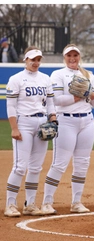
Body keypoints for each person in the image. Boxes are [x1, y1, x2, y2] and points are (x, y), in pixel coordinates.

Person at [40, 44, 94, 215]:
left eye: (75, 55)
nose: (72, 58)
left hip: (86, 122)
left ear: (79, 56)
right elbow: (56, 100)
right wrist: (77, 97)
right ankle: (47, 202)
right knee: (60, 163)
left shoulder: (87, 75)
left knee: (82, 164)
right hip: (66, 121)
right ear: (64, 57)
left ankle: (76, 202)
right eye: (69, 55)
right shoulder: (58, 74)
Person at [4, 47, 56, 217]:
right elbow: (10, 106)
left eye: (38, 59)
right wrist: (14, 128)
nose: (35, 62)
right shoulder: (16, 79)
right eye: (32, 59)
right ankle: (10, 204)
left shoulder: (45, 79)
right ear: (25, 60)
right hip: (24, 122)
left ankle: (30, 204)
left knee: (35, 167)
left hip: (41, 123)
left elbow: (50, 103)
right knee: (20, 166)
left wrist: (53, 119)